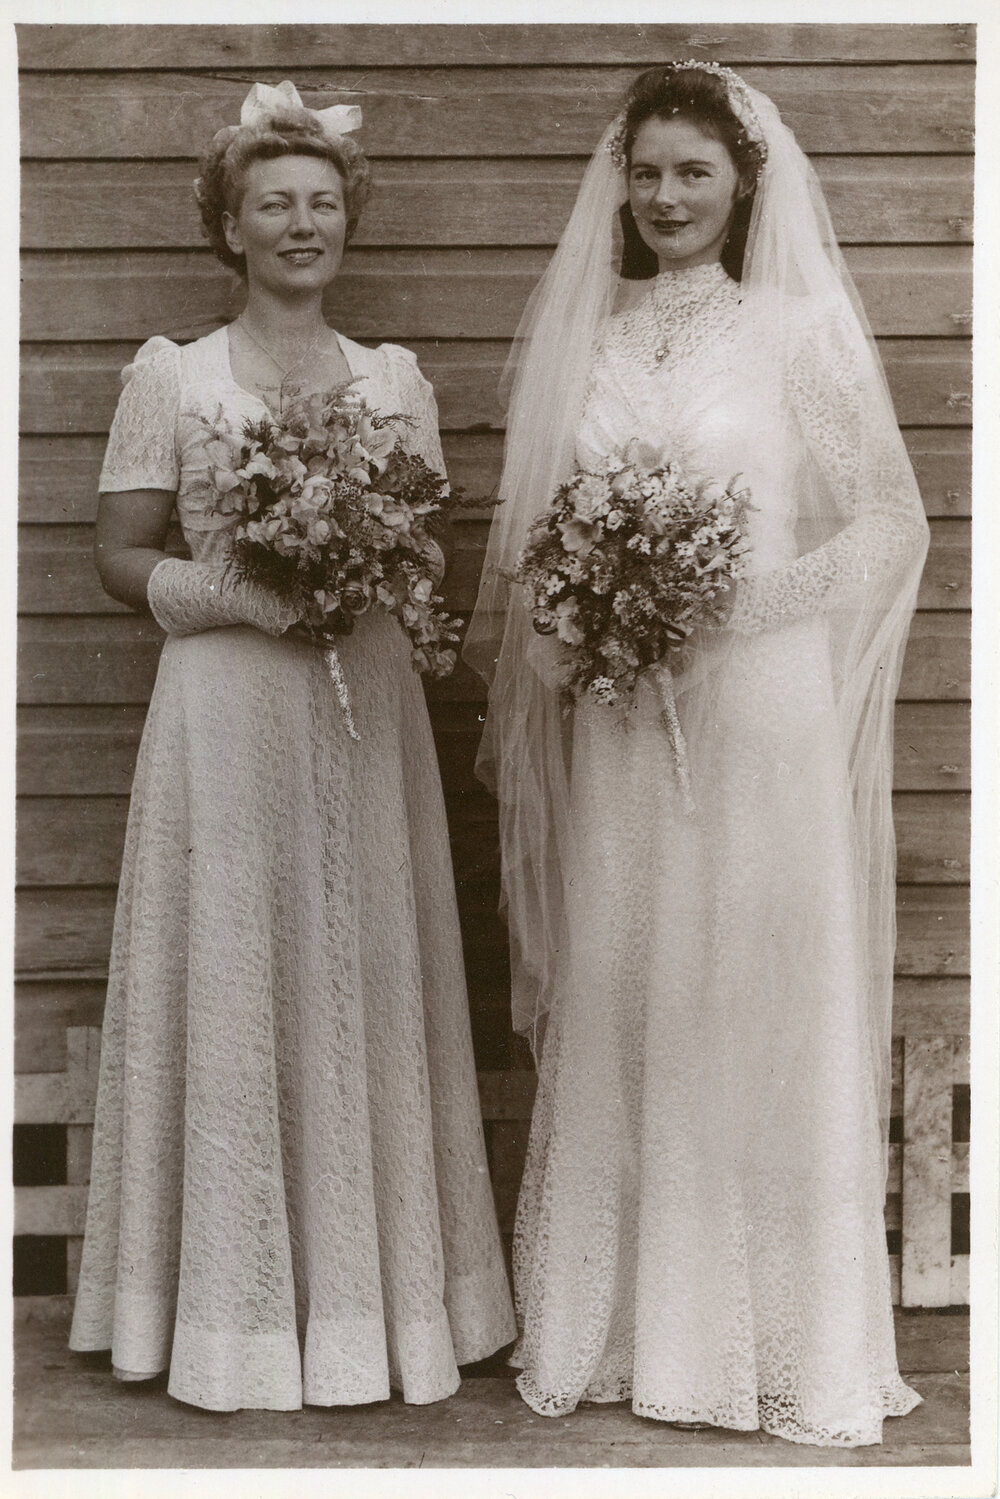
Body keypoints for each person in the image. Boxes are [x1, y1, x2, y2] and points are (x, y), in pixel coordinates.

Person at [466, 61, 928, 1447]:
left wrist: (733, 606)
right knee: (636, 984)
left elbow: (888, 524)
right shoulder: (594, 341)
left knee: (750, 993)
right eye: (647, 173)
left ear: (742, 185)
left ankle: (775, 1342)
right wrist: (589, 617)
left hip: (759, 707)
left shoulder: (796, 330)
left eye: (694, 173)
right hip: (626, 716)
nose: (666, 197)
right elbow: (544, 549)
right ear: (621, 187)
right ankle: (628, 1329)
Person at [69, 80, 515, 1413]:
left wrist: (369, 569)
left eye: (323, 203)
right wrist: (235, 591)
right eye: (274, 204)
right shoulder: (177, 374)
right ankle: (229, 1317)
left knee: (358, 968)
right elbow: (118, 553)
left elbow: (425, 547)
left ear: (346, 224)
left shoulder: (394, 382)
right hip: (222, 706)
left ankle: (381, 1308)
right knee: (236, 966)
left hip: (359, 703)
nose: (302, 225)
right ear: (231, 227)